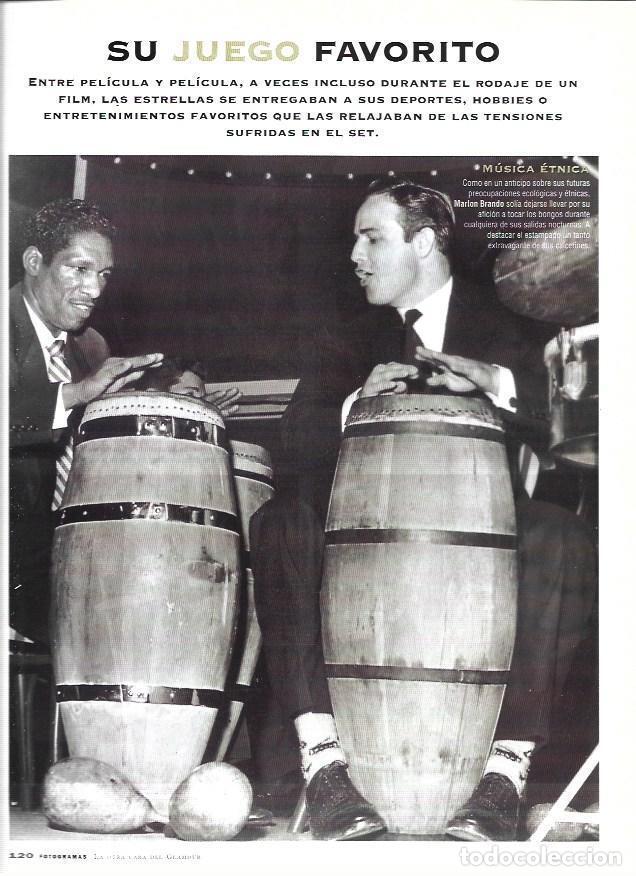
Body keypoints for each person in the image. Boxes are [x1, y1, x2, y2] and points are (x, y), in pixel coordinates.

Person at [249, 178, 597, 841]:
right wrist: (357, 401)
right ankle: (323, 762)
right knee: (281, 522)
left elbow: (574, 420)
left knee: (563, 536)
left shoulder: (512, 323)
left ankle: (505, 773)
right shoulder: (345, 334)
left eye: (371, 238)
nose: (355, 255)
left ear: (425, 242)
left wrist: (495, 383)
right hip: (364, 531)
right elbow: (294, 440)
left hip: (485, 530)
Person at [9, 198, 164, 643]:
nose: (95, 289)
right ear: (35, 262)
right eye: (79, 269)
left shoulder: (92, 345)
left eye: (104, 274)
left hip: (68, 544)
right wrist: (78, 394)